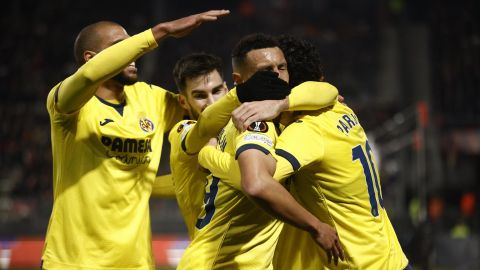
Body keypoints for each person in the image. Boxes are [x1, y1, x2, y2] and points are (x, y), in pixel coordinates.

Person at [201, 35, 410, 269]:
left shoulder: (304, 131)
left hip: (360, 264)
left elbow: (258, 182)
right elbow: (327, 91)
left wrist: (208, 156)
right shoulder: (340, 109)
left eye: (281, 68)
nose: (277, 74)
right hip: (391, 256)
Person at [43, 10, 230, 270]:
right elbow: (87, 77)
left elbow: (209, 111)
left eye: (132, 44)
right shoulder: (66, 105)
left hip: (137, 262)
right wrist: (161, 31)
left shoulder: (152, 99)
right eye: (121, 47)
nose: (133, 55)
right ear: (91, 58)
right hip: (73, 261)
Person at [178, 33, 343, 270]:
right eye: (267, 69)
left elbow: (327, 90)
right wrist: (316, 226)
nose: (277, 74)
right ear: (239, 80)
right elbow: (255, 183)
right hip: (221, 264)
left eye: (282, 67)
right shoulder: (255, 122)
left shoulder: (278, 116)